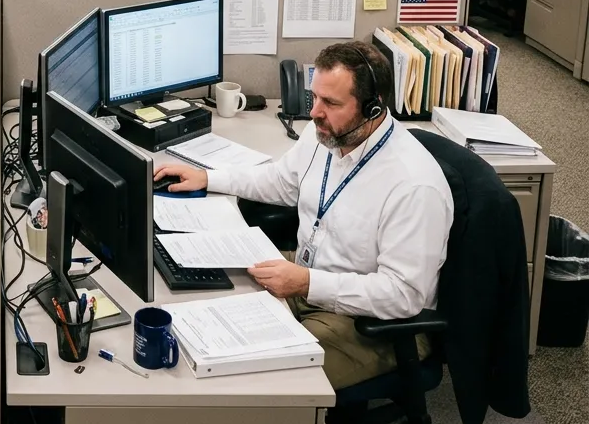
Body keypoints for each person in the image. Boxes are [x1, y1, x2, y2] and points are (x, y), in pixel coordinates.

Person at [155, 41, 454, 391]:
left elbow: (402, 294)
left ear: (373, 109)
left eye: (331, 103)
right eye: (315, 98)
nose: (314, 113)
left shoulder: (413, 186)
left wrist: (308, 283)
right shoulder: (327, 134)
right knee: (201, 290)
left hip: (371, 320)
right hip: (309, 274)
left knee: (258, 379)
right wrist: (210, 177)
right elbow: (282, 182)